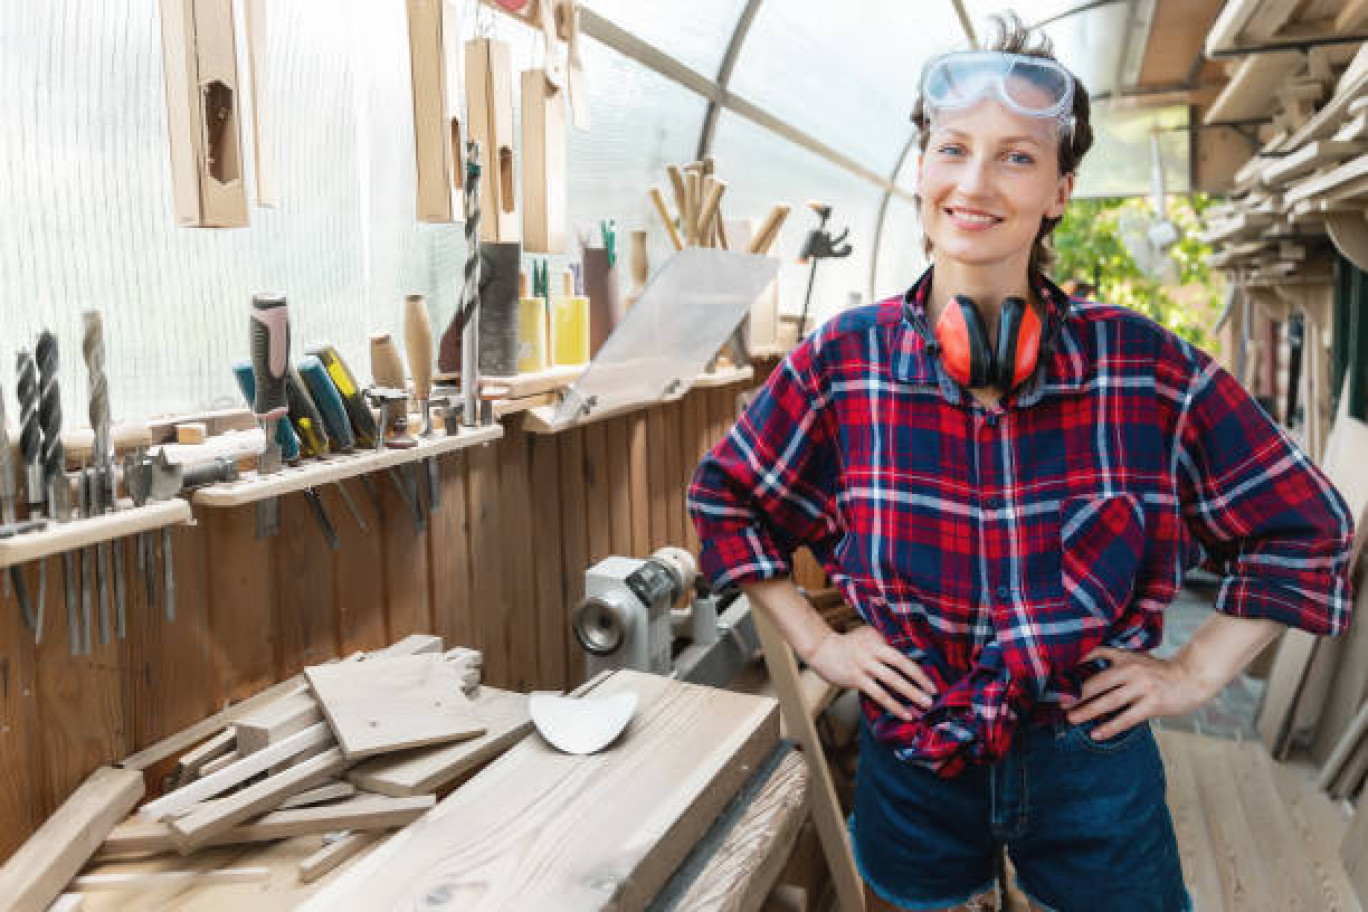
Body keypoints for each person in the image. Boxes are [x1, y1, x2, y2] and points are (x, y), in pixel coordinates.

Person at [687, 13, 1355, 912]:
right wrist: (820, 643)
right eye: (953, 149)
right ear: (921, 171)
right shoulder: (842, 362)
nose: (974, 181)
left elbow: (1308, 524)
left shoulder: (1143, 368)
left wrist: (1193, 672)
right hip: (913, 759)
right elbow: (726, 499)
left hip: (1092, 760)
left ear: (1060, 190)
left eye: (1016, 157)